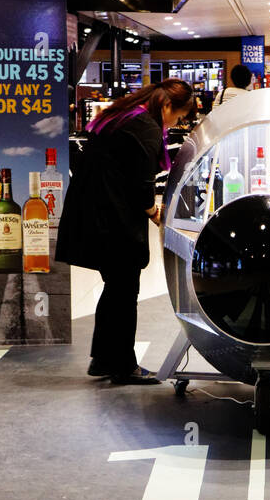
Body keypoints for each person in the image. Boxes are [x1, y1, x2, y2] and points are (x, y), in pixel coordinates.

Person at [56, 78, 195, 385]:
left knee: (116, 286)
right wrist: (155, 213)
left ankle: (104, 359)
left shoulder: (126, 114)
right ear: (168, 105)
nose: (176, 124)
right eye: (179, 116)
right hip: (111, 217)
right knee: (124, 288)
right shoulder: (145, 125)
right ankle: (122, 365)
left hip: (96, 209)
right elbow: (143, 182)